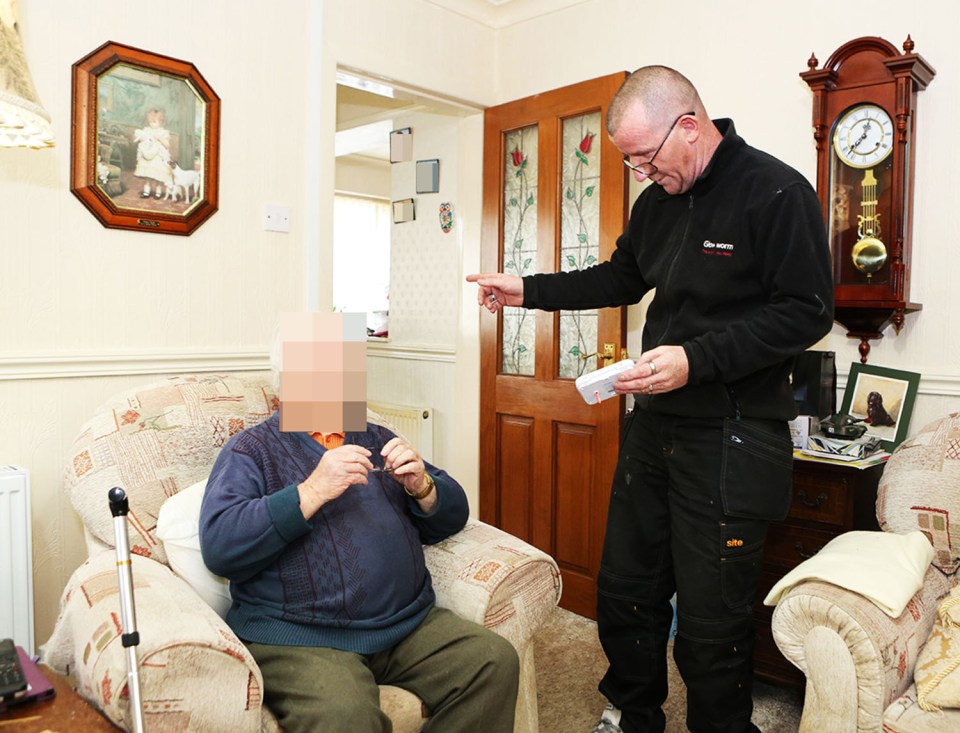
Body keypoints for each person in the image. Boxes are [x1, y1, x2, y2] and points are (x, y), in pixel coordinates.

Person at [468, 66, 833, 733]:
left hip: (733, 435)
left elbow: (806, 311)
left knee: (710, 616)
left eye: (645, 156)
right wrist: (528, 290)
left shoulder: (776, 192)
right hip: (654, 427)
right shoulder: (657, 202)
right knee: (625, 593)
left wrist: (696, 359)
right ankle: (634, 713)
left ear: (689, 127)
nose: (640, 172)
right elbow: (621, 276)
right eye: (629, 160)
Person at [199, 312, 519, 733]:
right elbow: (221, 545)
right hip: (299, 637)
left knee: (493, 661)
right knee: (346, 718)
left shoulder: (375, 436)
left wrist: (423, 487)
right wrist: (311, 492)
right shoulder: (251, 451)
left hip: (406, 623)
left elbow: (453, 514)